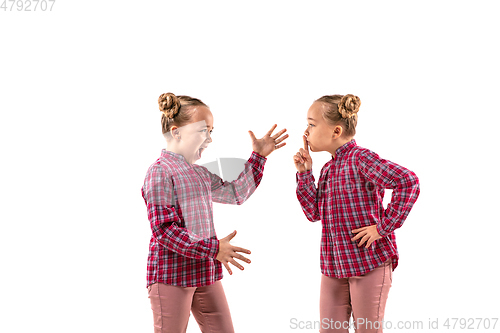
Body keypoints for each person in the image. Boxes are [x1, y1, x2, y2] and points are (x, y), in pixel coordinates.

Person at [142, 92, 288, 333]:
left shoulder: (199, 174)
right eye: (203, 130)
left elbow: (236, 193)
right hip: (171, 275)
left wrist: (259, 157)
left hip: (204, 271)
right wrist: (214, 248)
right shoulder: (159, 172)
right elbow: (164, 231)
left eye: (211, 131)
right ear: (176, 132)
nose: (209, 138)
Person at [294, 94, 420, 333]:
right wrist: (305, 173)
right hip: (334, 266)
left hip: (368, 263)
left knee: (368, 330)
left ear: (336, 130)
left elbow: (409, 181)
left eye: (311, 124)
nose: (306, 131)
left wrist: (382, 228)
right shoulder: (328, 168)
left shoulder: (360, 159)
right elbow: (313, 212)